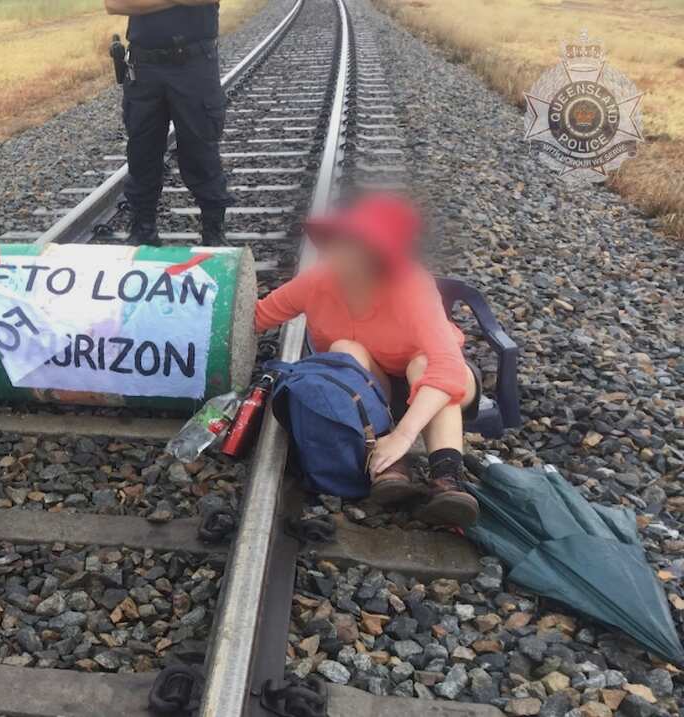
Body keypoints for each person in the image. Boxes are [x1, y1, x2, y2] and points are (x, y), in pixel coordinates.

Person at [254, 194, 482, 527]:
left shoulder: (411, 285)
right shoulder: (317, 282)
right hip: (375, 389)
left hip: (442, 383)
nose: (339, 252)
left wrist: (404, 436)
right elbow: (256, 317)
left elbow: (446, 368)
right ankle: (388, 465)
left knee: (424, 365)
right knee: (346, 348)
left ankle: (447, 478)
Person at [105, 0, 230, 247]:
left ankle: (213, 233)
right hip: (143, 68)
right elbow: (114, 4)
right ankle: (143, 230)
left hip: (195, 63)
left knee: (202, 154)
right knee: (141, 155)